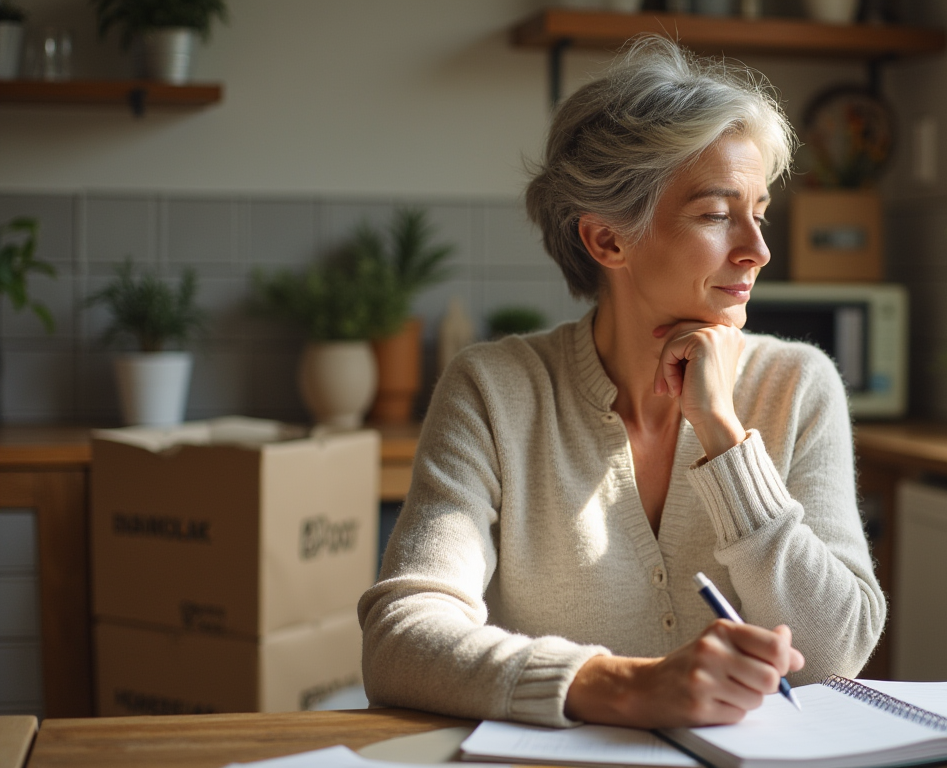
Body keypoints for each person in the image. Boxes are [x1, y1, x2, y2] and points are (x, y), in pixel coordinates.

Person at [357, 36, 886, 730]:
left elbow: (835, 653)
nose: (757, 249)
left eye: (758, 212)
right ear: (608, 241)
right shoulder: (494, 390)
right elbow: (399, 641)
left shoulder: (797, 385)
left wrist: (726, 439)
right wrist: (619, 686)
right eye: (716, 213)